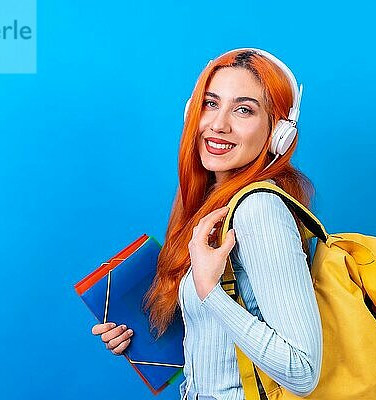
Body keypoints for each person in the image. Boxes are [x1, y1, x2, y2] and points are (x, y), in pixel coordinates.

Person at [91, 48, 322, 400]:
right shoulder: (212, 203)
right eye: (211, 104)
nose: (218, 124)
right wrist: (141, 338)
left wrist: (209, 291)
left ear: (279, 133)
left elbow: (303, 371)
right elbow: (225, 352)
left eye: (243, 109)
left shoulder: (258, 209)